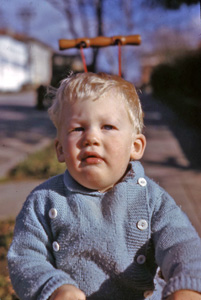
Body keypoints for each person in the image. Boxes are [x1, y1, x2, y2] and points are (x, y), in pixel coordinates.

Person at [8, 72, 201, 300]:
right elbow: (25, 256)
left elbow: (183, 244)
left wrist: (187, 286)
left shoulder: (151, 199)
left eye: (107, 126)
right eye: (78, 129)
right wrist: (54, 288)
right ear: (60, 149)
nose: (91, 138)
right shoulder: (44, 200)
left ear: (135, 146)